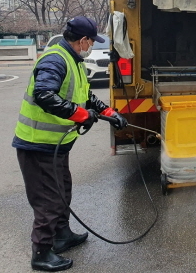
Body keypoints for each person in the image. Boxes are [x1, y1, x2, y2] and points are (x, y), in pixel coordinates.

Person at [13, 16, 128, 271]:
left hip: (55, 146)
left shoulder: (73, 61)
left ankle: (62, 235)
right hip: (37, 145)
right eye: (91, 41)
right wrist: (81, 115)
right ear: (83, 40)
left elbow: (85, 97)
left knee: (62, 191)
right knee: (48, 200)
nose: (91, 46)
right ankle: (41, 253)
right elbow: (44, 95)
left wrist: (110, 115)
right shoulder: (55, 59)